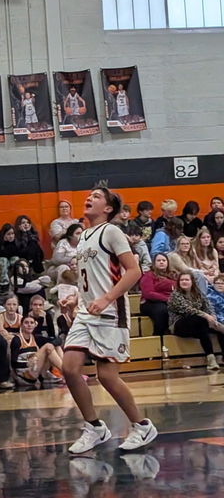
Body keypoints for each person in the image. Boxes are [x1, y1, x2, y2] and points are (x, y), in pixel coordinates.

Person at [62, 185, 158, 454]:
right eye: (89, 195)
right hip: (85, 311)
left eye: (96, 197)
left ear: (108, 208)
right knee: (69, 368)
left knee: (106, 376)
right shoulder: (82, 237)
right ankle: (95, 427)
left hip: (110, 311)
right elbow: (89, 280)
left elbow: (134, 271)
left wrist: (105, 298)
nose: (88, 198)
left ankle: (142, 425)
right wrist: (74, 299)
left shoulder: (112, 231)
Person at [168, 272, 224, 370]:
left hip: (199, 325)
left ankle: (216, 358)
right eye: (182, 280)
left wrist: (212, 315)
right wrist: (206, 315)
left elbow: (208, 306)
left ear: (192, 282)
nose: (184, 282)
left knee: (212, 330)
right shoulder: (175, 295)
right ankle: (211, 359)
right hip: (179, 325)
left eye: (187, 280)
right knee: (200, 320)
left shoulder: (199, 293)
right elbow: (187, 309)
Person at [11, 315, 64, 388]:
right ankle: (68, 373)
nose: (29, 325)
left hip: (36, 369)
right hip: (24, 373)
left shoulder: (36, 338)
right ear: (21, 325)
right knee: (48, 346)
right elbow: (13, 362)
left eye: (31, 323)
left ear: (35, 325)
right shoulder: (16, 340)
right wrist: (27, 363)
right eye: (26, 323)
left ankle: (62, 372)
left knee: (55, 346)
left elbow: (59, 340)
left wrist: (53, 344)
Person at [139, 253, 176, 337]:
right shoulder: (148, 275)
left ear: (167, 263)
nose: (161, 262)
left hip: (170, 301)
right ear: (154, 263)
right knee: (162, 310)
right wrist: (167, 299)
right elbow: (148, 293)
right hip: (149, 303)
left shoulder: (173, 275)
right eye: (158, 260)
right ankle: (158, 336)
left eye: (164, 260)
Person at [0, 224, 20, 293]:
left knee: (16, 260)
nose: (11, 236)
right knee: (3, 260)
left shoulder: (16, 240)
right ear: (4, 234)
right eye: (8, 234)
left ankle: (17, 281)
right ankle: (4, 284)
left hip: (10, 257)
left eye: (12, 234)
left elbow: (17, 252)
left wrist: (11, 243)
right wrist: (5, 243)